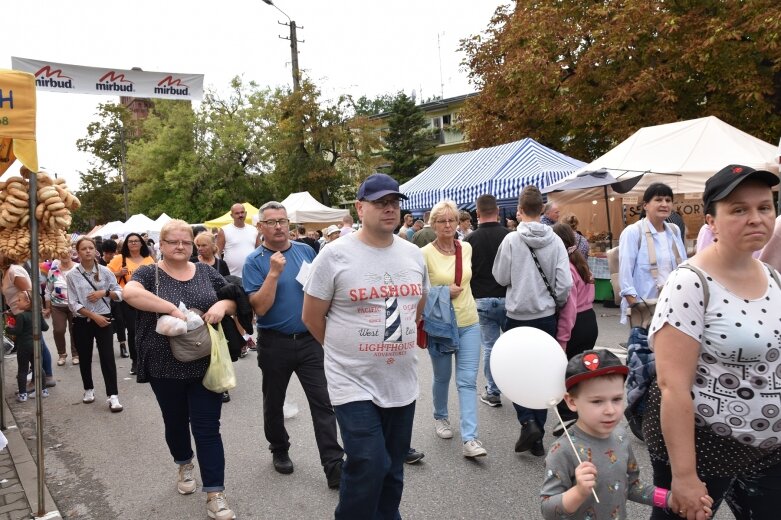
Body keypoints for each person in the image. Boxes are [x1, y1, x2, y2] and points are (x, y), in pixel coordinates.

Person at [646, 165, 781, 519]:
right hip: (705, 448)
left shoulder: (773, 278)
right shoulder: (689, 283)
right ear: (711, 221)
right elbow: (672, 386)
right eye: (739, 209)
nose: (756, 218)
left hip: (767, 450)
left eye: (764, 207)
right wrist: (685, 477)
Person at [302, 173, 429, 519]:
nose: (389, 209)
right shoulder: (334, 255)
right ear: (360, 208)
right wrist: (344, 354)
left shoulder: (413, 254)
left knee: (393, 468)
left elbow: (417, 306)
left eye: (394, 202)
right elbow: (312, 317)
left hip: (401, 381)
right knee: (368, 461)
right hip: (351, 380)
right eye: (379, 203)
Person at [123, 220, 237, 520]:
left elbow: (231, 295)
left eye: (185, 242)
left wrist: (223, 306)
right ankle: (184, 463)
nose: (180, 247)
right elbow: (130, 294)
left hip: (205, 363)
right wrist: (174, 310)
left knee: (208, 428)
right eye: (173, 242)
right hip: (163, 365)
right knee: (174, 422)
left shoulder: (205, 271)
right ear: (161, 244)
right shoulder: (149, 273)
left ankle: (215, 493)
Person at [243, 201, 344, 488]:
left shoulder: (306, 251)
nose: (278, 226)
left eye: (282, 221)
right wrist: (273, 273)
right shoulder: (255, 261)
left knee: (323, 402)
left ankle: (333, 463)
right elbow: (260, 308)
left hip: (310, 340)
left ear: (289, 224)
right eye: (271, 222)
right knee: (273, 402)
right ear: (260, 227)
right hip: (275, 342)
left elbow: (321, 291)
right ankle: (279, 448)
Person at [540, 350, 711, 519]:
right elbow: (548, 509)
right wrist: (578, 492)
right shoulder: (562, 450)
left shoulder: (620, 436)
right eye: (597, 401)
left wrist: (671, 499)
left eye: (616, 399)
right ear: (571, 401)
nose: (610, 410)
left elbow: (632, 486)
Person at [493, 185, 572, 456]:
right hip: (546, 315)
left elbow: (501, 277)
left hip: (517, 315)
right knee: (542, 374)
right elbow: (564, 283)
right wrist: (556, 302)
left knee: (516, 372)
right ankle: (536, 433)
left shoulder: (512, 241)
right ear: (542, 209)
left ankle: (528, 421)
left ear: (520, 209)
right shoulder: (557, 241)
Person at [422, 199, 486, 458]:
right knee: (441, 377)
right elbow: (419, 290)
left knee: (467, 382)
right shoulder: (424, 253)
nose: (448, 225)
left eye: (452, 220)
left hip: (469, 321)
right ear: (434, 224)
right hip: (440, 324)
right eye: (442, 220)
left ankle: (470, 438)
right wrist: (442, 291)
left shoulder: (467, 248)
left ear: (458, 222)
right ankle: (441, 417)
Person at [66, 237, 124, 412]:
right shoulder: (72, 275)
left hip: (104, 318)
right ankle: (88, 389)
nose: (88, 251)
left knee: (107, 357)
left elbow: (120, 294)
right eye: (83, 248)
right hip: (83, 320)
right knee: (85, 356)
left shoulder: (106, 272)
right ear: (77, 252)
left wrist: (103, 293)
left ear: (95, 250)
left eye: (90, 247)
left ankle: (113, 395)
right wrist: (92, 315)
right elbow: (73, 303)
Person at [618, 183, 687, 325]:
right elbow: (625, 278)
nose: (664, 204)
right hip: (646, 309)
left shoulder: (674, 231)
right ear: (645, 205)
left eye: (668, 200)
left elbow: (683, 266)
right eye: (658, 200)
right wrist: (638, 309)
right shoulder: (633, 232)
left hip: (674, 306)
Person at [551, 222, 597, 435]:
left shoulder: (567, 268)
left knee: (567, 372)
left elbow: (569, 310)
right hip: (590, 320)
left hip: (577, 322)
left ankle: (568, 417)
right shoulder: (581, 262)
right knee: (581, 370)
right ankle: (583, 409)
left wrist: (562, 339)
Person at [466, 195, 509, 409]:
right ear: (498, 211)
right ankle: (517, 388)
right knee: (512, 347)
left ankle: (493, 392)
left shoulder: (469, 240)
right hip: (509, 298)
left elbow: (466, 273)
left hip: (482, 299)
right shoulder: (510, 237)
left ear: (477, 212)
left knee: (490, 347)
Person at [108, 232, 154, 375]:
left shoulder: (148, 259)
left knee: (148, 330)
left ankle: (148, 359)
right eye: (130, 241)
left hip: (147, 299)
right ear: (126, 244)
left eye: (136, 241)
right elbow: (105, 275)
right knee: (133, 331)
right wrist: (118, 274)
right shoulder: (119, 259)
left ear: (141, 243)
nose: (133, 243)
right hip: (127, 299)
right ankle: (136, 361)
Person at [44, 251, 78, 366]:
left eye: (67, 252)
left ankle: (76, 354)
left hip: (75, 305)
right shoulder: (53, 270)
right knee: (59, 330)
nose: (64, 255)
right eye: (61, 253)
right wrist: (48, 307)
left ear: (71, 253)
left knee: (75, 330)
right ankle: (62, 354)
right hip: (57, 306)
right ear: (57, 255)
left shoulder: (78, 268)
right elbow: (48, 290)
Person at [99, 239, 128, 358]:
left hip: (115, 294)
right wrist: (118, 273)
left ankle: (122, 345)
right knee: (104, 320)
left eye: (112, 253)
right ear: (104, 253)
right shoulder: (99, 263)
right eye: (108, 254)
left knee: (120, 319)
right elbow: (100, 277)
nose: (110, 256)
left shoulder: (118, 260)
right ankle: (103, 344)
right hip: (102, 296)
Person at [216, 203, 257, 277]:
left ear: (246, 213)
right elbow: (217, 252)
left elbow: (259, 250)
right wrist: (221, 270)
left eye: (242, 212)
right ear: (232, 215)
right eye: (237, 213)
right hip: (231, 276)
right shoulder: (224, 230)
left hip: (252, 274)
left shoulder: (254, 230)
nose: (240, 215)